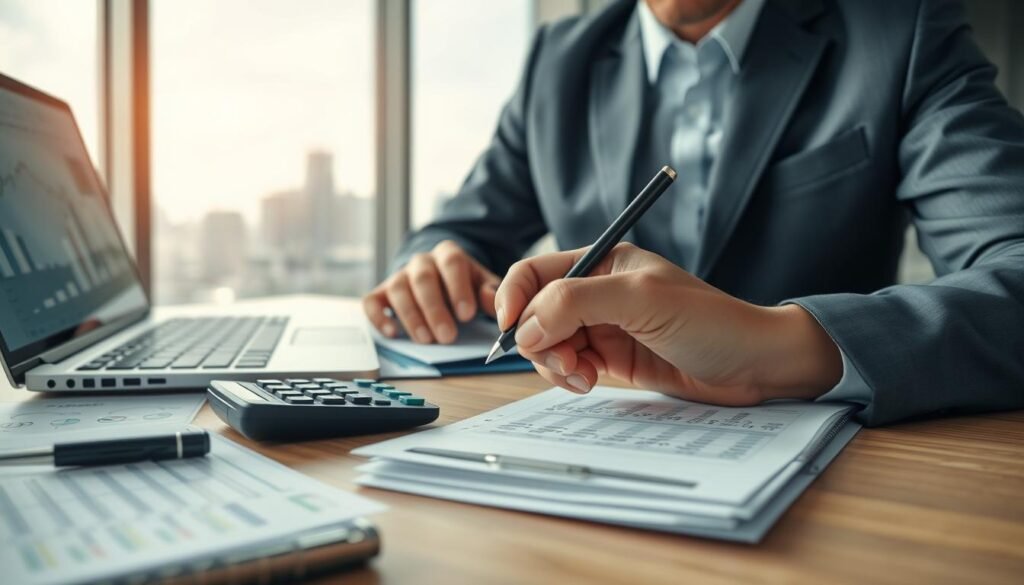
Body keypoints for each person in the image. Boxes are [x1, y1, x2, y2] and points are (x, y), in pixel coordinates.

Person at [362, 0, 1024, 426]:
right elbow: (458, 229)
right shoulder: (559, 60)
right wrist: (431, 262)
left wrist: (775, 345)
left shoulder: (900, 34)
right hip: (594, 450)